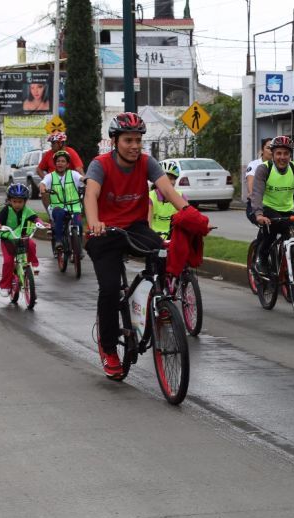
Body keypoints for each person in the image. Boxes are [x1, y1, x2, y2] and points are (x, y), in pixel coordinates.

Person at [84, 112, 192, 378]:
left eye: (138, 140)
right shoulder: (100, 164)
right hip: (105, 232)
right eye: (128, 140)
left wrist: (192, 215)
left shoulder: (147, 162)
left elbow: (167, 190)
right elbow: (91, 194)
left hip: (135, 227)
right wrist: (95, 221)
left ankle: (159, 304)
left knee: (164, 255)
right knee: (109, 290)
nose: (134, 146)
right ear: (114, 142)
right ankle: (108, 348)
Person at [249, 135, 294, 272]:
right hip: (267, 209)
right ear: (272, 154)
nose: (282, 157)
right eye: (278, 153)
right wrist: (259, 214)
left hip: (288, 210)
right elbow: (257, 193)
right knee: (270, 231)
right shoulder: (264, 169)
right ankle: (261, 257)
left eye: (286, 153)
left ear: (290, 155)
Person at [0, 184, 41, 295]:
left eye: (20, 202)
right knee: (8, 262)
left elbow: (35, 218)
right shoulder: (6, 210)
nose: (17, 204)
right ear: (9, 200)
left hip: (21, 238)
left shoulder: (27, 210)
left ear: (25, 201)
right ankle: (5, 286)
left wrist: (42, 223)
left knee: (32, 244)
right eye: (14, 201)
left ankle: (33, 265)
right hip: (8, 240)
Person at [39, 150, 82, 254]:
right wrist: (43, 188)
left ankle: (78, 249)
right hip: (57, 207)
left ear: (67, 164)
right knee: (59, 215)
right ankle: (58, 241)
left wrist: (87, 181)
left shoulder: (73, 174)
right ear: (55, 163)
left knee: (79, 225)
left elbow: (82, 179)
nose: (60, 163)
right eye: (58, 161)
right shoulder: (50, 176)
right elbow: (43, 183)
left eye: (63, 161)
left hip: (74, 207)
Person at [149, 162, 187, 238]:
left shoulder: (180, 196)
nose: (172, 182)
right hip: (154, 239)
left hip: (174, 238)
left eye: (174, 179)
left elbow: (188, 218)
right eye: (169, 178)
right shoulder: (150, 197)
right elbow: (147, 224)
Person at [244, 137, 272, 220]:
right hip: (258, 204)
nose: (271, 150)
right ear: (262, 150)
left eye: (273, 148)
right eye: (268, 148)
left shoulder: (281, 166)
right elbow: (251, 182)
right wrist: (252, 193)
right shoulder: (254, 164)